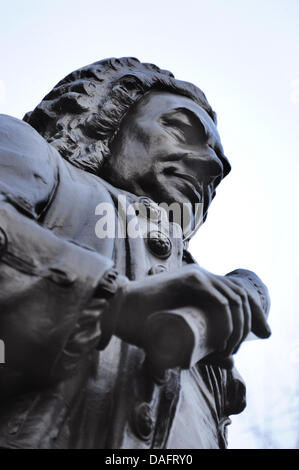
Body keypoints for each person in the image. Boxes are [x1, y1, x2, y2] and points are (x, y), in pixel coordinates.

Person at [0, 57, 270, 449]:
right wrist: (110, 300)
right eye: (179, 129)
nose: (212, 166)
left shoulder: (206, 303)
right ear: (105, 120)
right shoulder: (37, 160)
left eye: (219, 166)